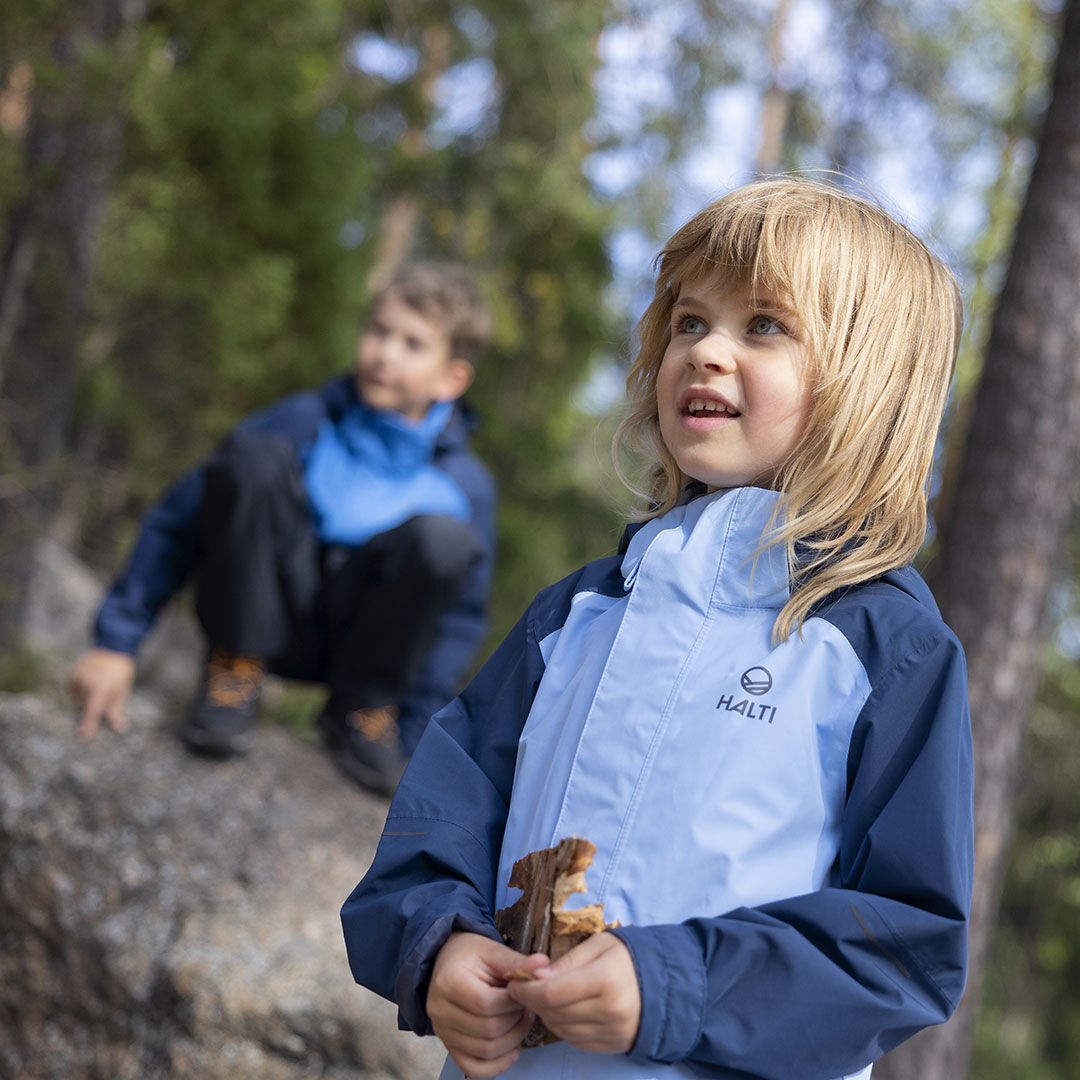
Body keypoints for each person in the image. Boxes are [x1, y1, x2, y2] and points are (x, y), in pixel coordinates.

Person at [338, 176, 975, 1079]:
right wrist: (438, 945)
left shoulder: (886, 650)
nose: (707, 350)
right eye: (689, 322)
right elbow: (439, 819)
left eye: (764, 326)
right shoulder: (577, 615)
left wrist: (675, 983)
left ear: (867, 384)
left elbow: (904, 944)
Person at [70, 261, 497, 798]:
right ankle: (235, 670)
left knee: (445, 542)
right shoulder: (303, 420)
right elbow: (178, 522)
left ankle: (363, 714)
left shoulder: (464, 486)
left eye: (413, 344)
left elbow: (457, 623)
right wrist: (116, 642)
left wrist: (417, 739)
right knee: (252, 460)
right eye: (378, 331)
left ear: (451, 378)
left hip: (366, 653)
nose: (385, 353)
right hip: (265, 617)